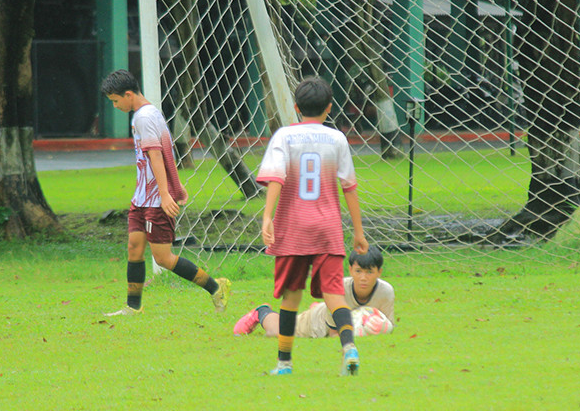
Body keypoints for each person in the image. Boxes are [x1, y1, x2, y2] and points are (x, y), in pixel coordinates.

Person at [256, 75, 368, 376]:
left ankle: (284, 363)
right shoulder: (337, 139)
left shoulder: (284, 136)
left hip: (293, 228)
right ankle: (349, 347)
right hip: (327, 228)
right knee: (334, 294)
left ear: (295, 107)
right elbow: (349, 187)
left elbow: (276, 178)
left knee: (291, 295)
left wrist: (267, 217)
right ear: (329, 108)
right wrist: (358, 232)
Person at [99, 69, 230, 316]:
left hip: (155, 199)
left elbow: (156, 155)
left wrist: (166, 194)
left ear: (128, 95)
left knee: (163, 258)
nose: (115, 106)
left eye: (115, 101)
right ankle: (133, 307)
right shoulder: (146, 113)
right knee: (134, 247)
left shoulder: (144, 117)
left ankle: (216, 288)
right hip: (141, 197)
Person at [233, 246, 394, 338]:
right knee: (278, 332)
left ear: (379, 272)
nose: (363, 278)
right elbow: (334, 334)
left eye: (369, 272)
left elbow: (388, 325)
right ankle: (261, 312)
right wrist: (361, 333)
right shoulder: (340, 288)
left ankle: (322, 307)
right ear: (350, 270)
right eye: (358, 271)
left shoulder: (386, 292)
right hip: (318, 323)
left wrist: (377, 329)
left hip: (333, 315)